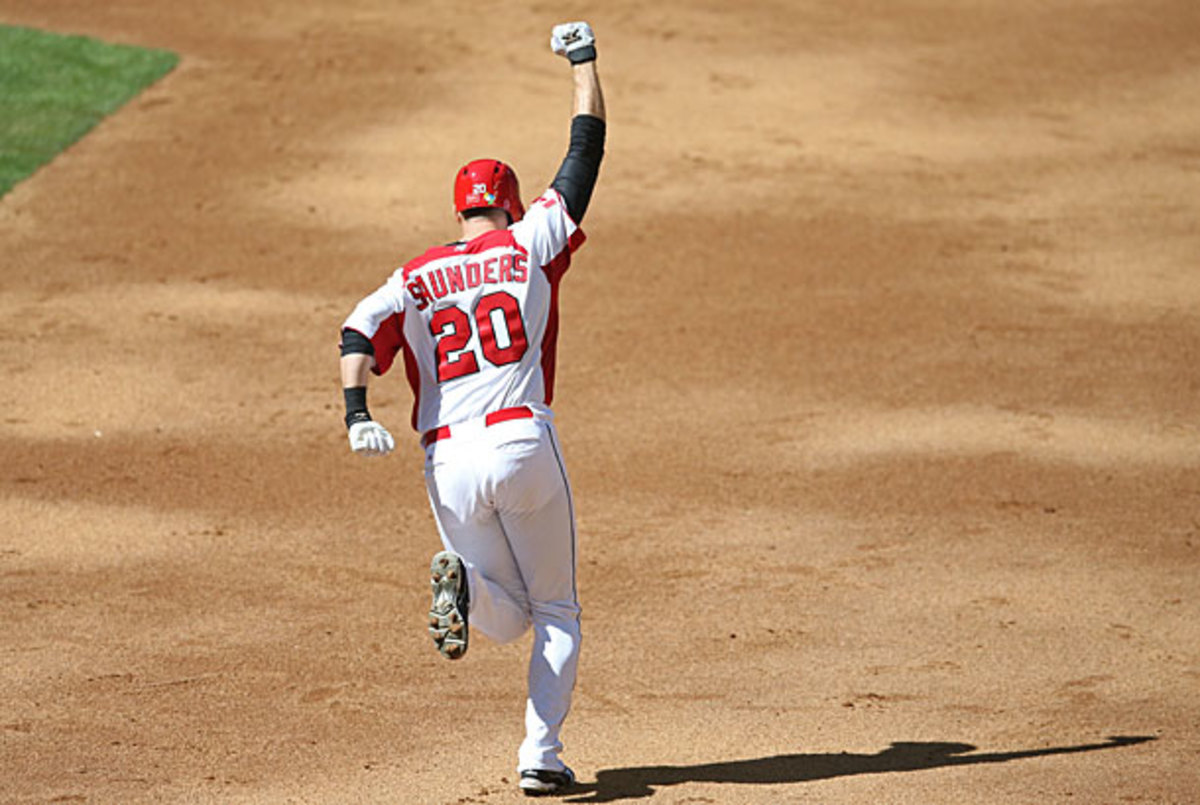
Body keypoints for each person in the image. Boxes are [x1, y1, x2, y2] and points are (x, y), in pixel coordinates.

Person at [337, 21, 605, 798]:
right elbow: (584, 150)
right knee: (553, 608)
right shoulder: (531, 241)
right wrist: (582, 61)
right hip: (523, 444)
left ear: (457, 213)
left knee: (507, 613)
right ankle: (540, 755)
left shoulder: (413, 276)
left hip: (445, 461)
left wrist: (357, 409)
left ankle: (466, 582)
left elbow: (357, 328)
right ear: (511, 204)